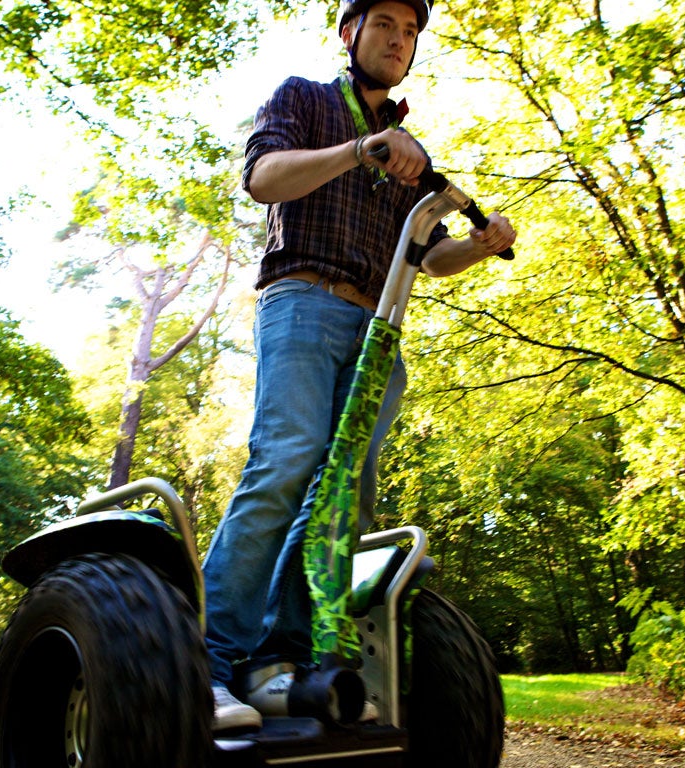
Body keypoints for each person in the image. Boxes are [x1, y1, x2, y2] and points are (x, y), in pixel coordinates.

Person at [202, 0, 517, 732]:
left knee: (344, 497)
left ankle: (275, 665)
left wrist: (478, 243)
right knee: (286, 463)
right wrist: (360, 149)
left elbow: (429, 257)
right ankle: (210, 661)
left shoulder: (412, 151)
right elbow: (265, 178)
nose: (398, 40)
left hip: (379, 326)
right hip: (304, 303)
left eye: (410, 32)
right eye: (384, 25)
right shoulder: (304, 100)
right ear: (350, 34)